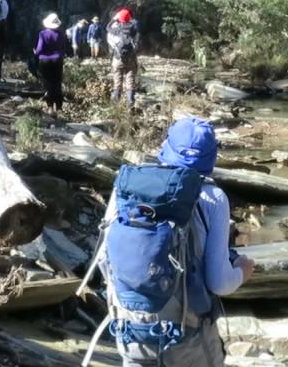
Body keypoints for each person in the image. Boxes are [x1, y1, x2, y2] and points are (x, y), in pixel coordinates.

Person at [90, 117, 254, 367]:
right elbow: (219, 283)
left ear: (166, 146)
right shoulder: (213, 197)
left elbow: (103, 258)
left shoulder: (127, 188)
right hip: (186, 336)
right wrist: (242, 270)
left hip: (130, 328)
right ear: (211, 156)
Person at [34, 14, 68, 118]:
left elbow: (39, 49)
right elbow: (65, 46)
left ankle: (50, 107)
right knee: (57, 83)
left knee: (48, 83)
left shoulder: (43, 34)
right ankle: (59, 108)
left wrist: (35, 52)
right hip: (58, 60)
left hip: (45, 60)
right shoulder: (61, 34)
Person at [106, 8, 140, 107]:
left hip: (117, 58)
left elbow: (107, 28)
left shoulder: (115, 30)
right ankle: (130, 103)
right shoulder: (134, 29)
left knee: (117, 81)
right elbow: (137, 42)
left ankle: (115, 105)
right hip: (131, 59)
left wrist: (114, 19)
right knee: (130, 81)